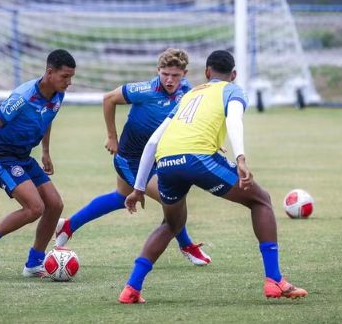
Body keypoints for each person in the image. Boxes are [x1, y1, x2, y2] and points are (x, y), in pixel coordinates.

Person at [119, 50, 308, 303]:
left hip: (165, 162)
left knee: (171, 224)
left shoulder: (189, 95)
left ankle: (131, 288)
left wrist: (139, 187)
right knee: (260, 200)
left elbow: (154, 141)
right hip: (198, 157)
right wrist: (240, 157)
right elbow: (234, 121)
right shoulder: (232, 90)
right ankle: (274, 280)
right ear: (233, 75)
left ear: (207, 73)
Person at [54, 48, 211, 265]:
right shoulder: (145, 90)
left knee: (120, 197)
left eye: (175, 75)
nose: (169, 79)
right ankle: (187, 246)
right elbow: (108, 99)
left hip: (157, 158)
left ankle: (69, 225)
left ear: (184, 73)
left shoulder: (187, 91)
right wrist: (111, 137)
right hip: (130, 159)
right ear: (158, 71)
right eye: (165, 74)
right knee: (170, 198)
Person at [0, 49, 76, 277]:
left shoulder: (57, 94)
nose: (69, 82)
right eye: (65, 77)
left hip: (23, 157)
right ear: (49, 73)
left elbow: (48, 118)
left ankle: (34, 263)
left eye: (71, 77)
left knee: (55, 205)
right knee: (35, 207)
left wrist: (45, 151)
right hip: (2, 158)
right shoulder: (23, 97)